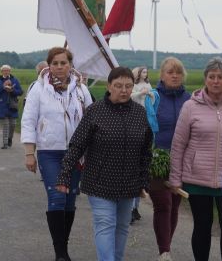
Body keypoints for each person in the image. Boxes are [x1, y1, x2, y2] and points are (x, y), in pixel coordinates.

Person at [56, 66, 153, 261]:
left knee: (122, 226)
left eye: (128, 86)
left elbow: (145, 151)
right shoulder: (95, 111)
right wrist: (65, 175)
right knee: (105, 224)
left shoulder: (139, 113)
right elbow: (76, 145)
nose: (124, 90)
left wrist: (144, 181)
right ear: (109, 86)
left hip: (129, 183)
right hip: (100, 182)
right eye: (118, 86)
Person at [169, 57, 222, 261]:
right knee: (202, 227)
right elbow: (178, 144)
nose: (216, 81)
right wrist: (176, 178)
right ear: (205, 79)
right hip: (197, 178)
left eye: (220, 77)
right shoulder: (190, 107)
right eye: (211, 76)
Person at [21, 47, 93, 261]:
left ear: (70, 65)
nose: (59, 67)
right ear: (49, 65)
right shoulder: (39, 88)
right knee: (56, 197)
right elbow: (28, 120)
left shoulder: (81, 89)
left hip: (76, 152)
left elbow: (91, 118)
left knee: (70, 201)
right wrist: (29, 153)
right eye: (55, 63)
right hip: (49, 151)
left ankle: (64, 245)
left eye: (63, 63)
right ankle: (60, 253)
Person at [151, 56, 191, 261]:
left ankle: (167, 245)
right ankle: (164, 251)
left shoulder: (190, 100)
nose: (174, 75)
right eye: (170, 72)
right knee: (163, 204)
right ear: (162, 75)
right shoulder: (152, 97)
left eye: (178, 72)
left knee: (174, 205)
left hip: (182, 160)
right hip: (158, 160)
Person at [130, 65, 155, 224]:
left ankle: (136, 207)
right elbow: (132, 97)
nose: (146, 74)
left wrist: (150, 94)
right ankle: (132, 208)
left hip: (146, 119)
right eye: (143, 72)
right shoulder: (134, 86)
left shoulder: (148, 86)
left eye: (147, 72)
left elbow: (152, 98)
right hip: (136, 119)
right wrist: (141, 93)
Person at [0, 65, 23, 149]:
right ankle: (5, 143)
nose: (6, 72)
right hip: (3, 105)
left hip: (12, 105)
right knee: (6, 125)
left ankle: (10, 139)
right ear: (2, 72)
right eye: (4, 70)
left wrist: (12, 90)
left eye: (7, 70)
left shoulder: (14, 80)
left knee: (13, 124)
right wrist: (3, 87)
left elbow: (20, 92)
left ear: (10, 71)